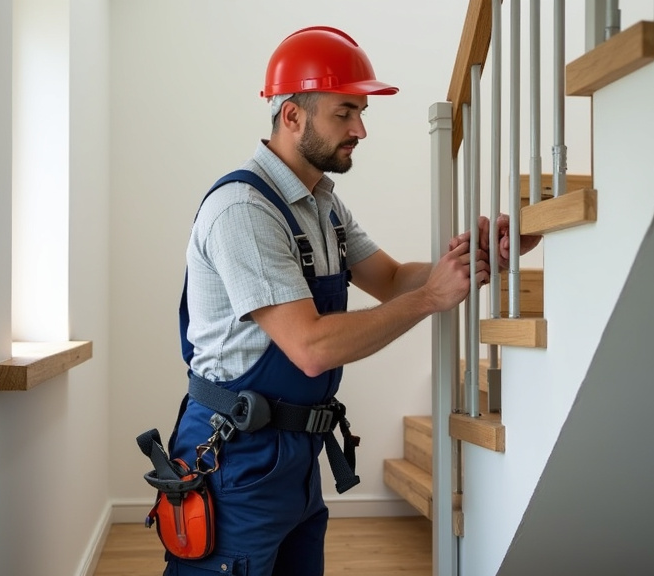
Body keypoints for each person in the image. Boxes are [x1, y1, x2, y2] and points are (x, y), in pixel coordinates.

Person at [165, 26, 539, 575]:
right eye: (344, 113)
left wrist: (476, 261)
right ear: (292, 115)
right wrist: (432, 298)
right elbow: (310, 347)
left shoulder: (321, 204)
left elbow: (390, 279)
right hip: (233, 456)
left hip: (293, 456)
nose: (360, 129)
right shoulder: (243, 210)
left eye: (361, 112)